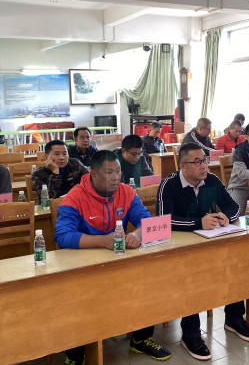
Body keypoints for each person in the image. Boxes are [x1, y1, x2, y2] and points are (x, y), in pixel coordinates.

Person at [55, 150, 172, 363]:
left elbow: (147, 222)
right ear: (93, 174)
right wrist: (103, 241)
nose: (116, 177)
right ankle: (75, 355)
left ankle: (141, 339)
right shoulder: (75, 196)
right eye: (109, 172)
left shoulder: (126, 192)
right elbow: (62, 236)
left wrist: (137, 235)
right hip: (84, 266)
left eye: (118, 171)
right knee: (76, 298)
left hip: (117, 260)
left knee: (148, 280)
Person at [156, 143, 249, 360]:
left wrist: (226, 217)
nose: (204, 166)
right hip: (179, 249)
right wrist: (198, 222)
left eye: (205, 160)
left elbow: (233, 206)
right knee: (192, 278)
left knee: (234, 264)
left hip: (207, 241)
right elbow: (163, 221)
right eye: (197, 162)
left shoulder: (212, 180)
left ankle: (234, 319)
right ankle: (190, 335)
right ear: (183, 166)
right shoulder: (169, 185)